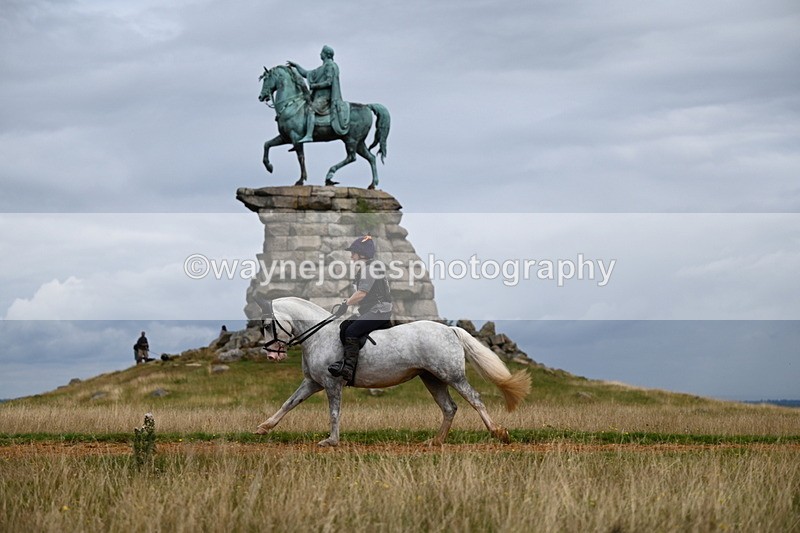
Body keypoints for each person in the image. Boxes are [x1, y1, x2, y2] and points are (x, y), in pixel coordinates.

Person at [328, 235, 392, 383]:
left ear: (361, 254)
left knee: (351, 331)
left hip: (378, 311)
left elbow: (362, 293)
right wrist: (348, 302)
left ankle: (349, 369)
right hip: (373, 310)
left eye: (353, 253)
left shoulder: (370, 269)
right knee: (344, 326)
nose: (351, 256)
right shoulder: (370, 267)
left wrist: (346, 303)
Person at [287, 45, 350, 142]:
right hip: (318, 97)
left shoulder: (330, 66)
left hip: (325, 98)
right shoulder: (322, 68)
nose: (320, 54)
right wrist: (296, 66)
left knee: (311, 109)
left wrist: (315, 86)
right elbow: (306, 73)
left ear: (326, 54)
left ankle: (309, 135)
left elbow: (329, 82)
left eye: (322, 52)